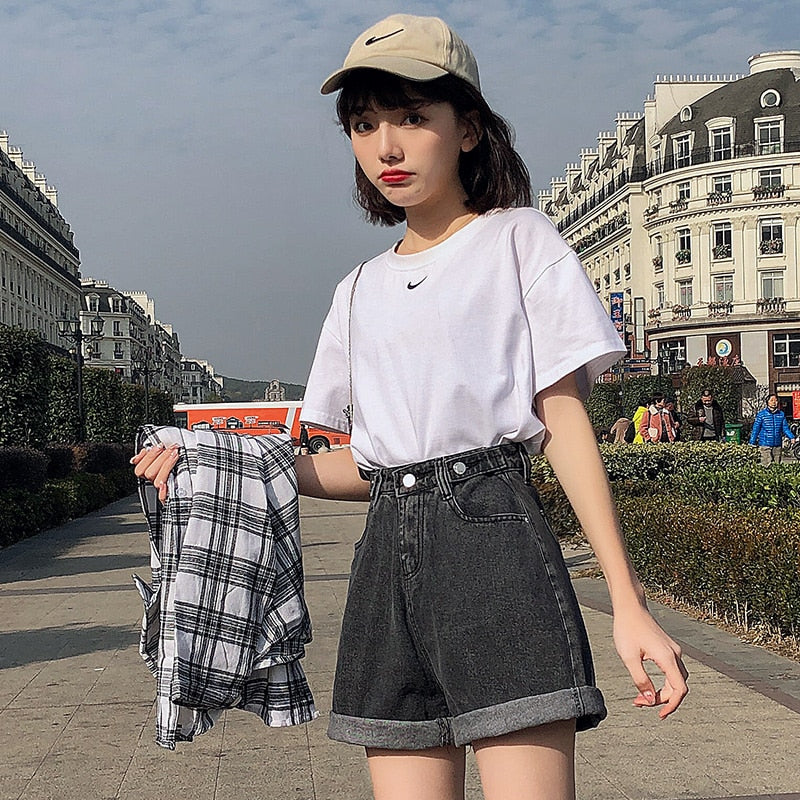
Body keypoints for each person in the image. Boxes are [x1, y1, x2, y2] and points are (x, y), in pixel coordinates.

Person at [133, 14, 687, 799]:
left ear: (468, 128)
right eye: (364, 125)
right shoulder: (358, 292)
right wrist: (214, 463)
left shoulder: (518, 241)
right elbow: (366, 463)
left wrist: (627, 604)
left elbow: (563, 421)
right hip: (384, 564)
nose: (386, 147)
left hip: (494, 544)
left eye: (412, 117)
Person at [749, 394, 796, 465]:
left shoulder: (781, 414)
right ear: (767, 402)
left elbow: (785, 428)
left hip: (777, 444)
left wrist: (791, 437)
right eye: (772, 400)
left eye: (776, 400)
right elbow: (756, 429)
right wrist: (752, 442)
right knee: (766, 465)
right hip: (765, 444)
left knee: (777, 466)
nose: (774, 402)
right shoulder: (761, 415)